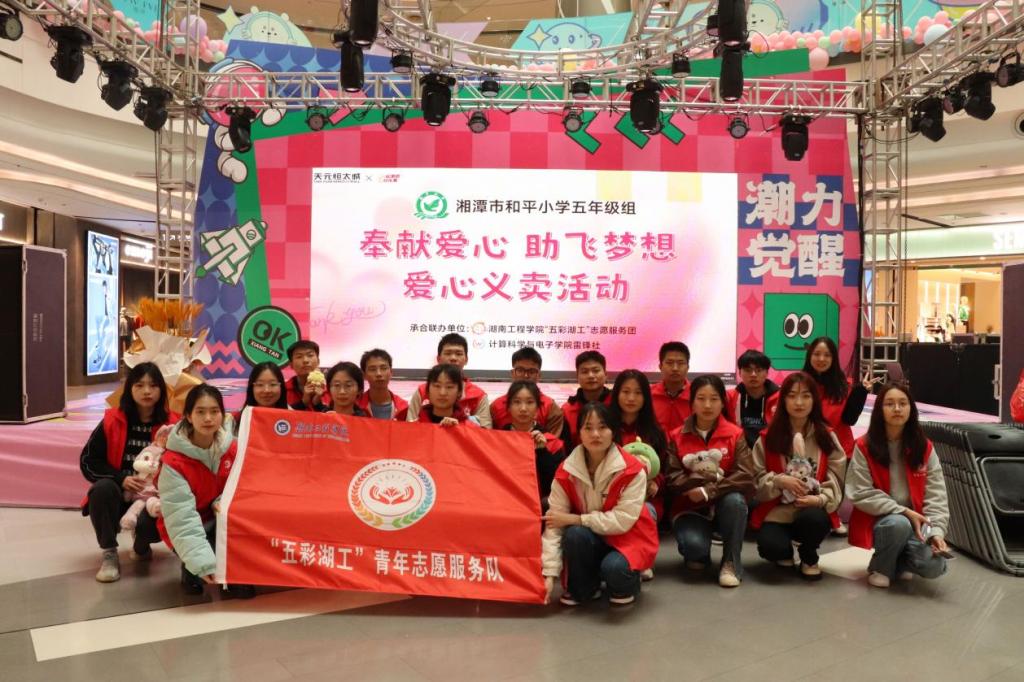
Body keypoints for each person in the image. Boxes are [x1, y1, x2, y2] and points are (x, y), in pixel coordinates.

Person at [541, 402, 659, 606]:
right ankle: (586, 587)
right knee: (575, 535)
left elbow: (621, 521)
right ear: (579, 432)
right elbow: (554, 524)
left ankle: (629, 579)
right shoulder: (566, 471)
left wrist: (576, 519)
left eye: (602, 427)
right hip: (589, 538)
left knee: (614, 569)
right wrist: (549, 575)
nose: (595, 434)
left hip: (626, 537)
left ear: (613, 431)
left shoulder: (632, 470)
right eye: (588, 428)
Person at [80, 362, 177, 582]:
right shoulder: (112, 421)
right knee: (101, 490)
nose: (146, 391)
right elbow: (89, 461)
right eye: (139, 385)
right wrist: (120, 478)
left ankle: (141, 545)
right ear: (129, 388)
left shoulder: (173, 425)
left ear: (161, 390)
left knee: (150, 524)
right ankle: (109, 553)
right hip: (119, 495)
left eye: (153, 385)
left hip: (152, 498)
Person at [846, 383, 950, 588]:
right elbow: (860, 492)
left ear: (911, 409)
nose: (897, 409)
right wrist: (903, 511)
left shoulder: (924, 447)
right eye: (889, 404)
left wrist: (936, 532)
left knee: (935, 567)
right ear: (879, 410)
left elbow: (936, 495)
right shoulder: (864, 446)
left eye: (903, 403)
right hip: (881, 520)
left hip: (917, 525)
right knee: (898, 524)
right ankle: (880, 568)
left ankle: (898, 562)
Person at [157, 384, 254, 598]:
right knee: (201, 565)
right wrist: (202, 563)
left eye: (214, 411)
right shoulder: (173, 463)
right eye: (200, 412)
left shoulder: (234, 449)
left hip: (222, 520)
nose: (208, 418)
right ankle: (191, 570)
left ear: (223, 415)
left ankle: (234, 573)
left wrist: (221, 501)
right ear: (188, 416)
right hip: (192, 521)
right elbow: (182, 518)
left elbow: (247, 490)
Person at [750, 371, 847, 580]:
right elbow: (755, 478)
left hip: (812, 509)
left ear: (814, 400)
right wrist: (778, 481)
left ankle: (809, 555)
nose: (799, 402)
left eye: (806, 396)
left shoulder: (827, 436)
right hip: (777, 510)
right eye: (792, 396)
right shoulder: (767, 438)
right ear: (783, 400)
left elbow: (837, 477)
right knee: (770, 547)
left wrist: (820, 498)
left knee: (815, 520)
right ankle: (784, 551)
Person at [666, 375, 754, 587]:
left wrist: (709, 491)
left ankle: (731, 563)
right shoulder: (676, 436)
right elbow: (672, 476)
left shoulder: (736, 434)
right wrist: (695, 485)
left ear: (723, 402)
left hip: (725, 505)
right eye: (701, 398)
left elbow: (745, 475)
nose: (707, 405)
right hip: (690, 507)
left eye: (714, 399)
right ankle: (700, 551)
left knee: (735, 501)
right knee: (695, 552)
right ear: (692, 402)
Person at [609, 369, 669, 559]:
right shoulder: (605, 428)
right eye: (626, 392)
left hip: (646, 499)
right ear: (616, 394)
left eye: (638, 393)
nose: (631, 398)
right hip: (610, 497)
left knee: (645, 512)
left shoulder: (656, 432)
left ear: (646, 398)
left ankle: (643, 559)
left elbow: (664, 468)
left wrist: (656, 483)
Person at [803, 336, 871, 458]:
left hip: (839, 452)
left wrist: (861, 392)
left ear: (833, 358)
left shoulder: (843, 386)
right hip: (807, 450)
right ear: (809, 356)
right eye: (817, 354)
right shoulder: (799, 384)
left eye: (827, 355)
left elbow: (849, 419)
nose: (821, 359)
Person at [503, 381, 566, 506]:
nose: (523, 408)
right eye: (517, 402)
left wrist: (542, 451)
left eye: (530, 402)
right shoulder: (497, 439)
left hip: (538, 505)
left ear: (537, 409)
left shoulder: (553, 444)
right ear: (508, 407)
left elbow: (555, 485)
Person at [407, 334, 491, 427]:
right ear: (438, 359)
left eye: (458, 354)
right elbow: (409, 428)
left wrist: (459, 428)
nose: (453, 358)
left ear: (466, 359)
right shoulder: (422, 392)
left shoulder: (478, 396)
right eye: (448, 353)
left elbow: (485, 432)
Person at [490, 347, 565, 436]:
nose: (525, 375)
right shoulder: (496, 406)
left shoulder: (551, 408)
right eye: (520, 370)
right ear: (512, 373)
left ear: (539, 375)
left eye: (531, 371)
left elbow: (553, 442)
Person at [725, 349, 780, 448]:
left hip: (771, 449)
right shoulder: (729, 397)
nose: (753, 374)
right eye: (748, 370)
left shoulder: (781, 397)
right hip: (740, 450)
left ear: (767, 373)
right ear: (739, 372)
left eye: (759, 370)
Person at [561, 351, 612, 446]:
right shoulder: (567, 410)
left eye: (596, 371)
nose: (590, 376)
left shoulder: (617, 403)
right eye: (585, 372)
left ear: (605, 374)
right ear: (577, 376)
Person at [651, 341, 692, 435]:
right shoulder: (648, 395)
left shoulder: (697, 396)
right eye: (669, 363)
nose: (675, 368)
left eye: (680, 363)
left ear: (688, 367)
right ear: (660, 366)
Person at [356, 349, 408, 420]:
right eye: (372, 369)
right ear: (364, 375)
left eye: (383, 368)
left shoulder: (404, 408)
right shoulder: (355, 406)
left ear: (391, 372)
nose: (379, 374)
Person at [235, 362, 288, 428]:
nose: (267, 390)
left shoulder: (293, 416)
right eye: (260, 385)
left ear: (281, 387)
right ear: (252, 388)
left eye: (273, 384)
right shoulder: (236, 420)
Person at [284, 340, 329, 410]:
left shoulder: (331, 390)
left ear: (318, 361)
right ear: (291, 365)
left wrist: (317, 403)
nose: (305, 360)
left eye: (310, 355)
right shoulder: (282, 390)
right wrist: (303, 402)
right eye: (299, 357)